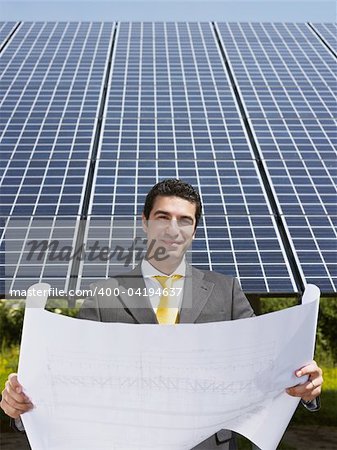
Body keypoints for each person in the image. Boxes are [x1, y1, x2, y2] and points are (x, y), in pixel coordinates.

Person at [1, 179, 323, 449]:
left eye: (185, 220)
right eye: (162, 217)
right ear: (144, 221)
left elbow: (264, 366)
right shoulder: (105, 293)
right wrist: (22, 406)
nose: (173, 229)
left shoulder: (226, 291)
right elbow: (67, 378)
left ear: (195, 229)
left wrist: (304, 388)